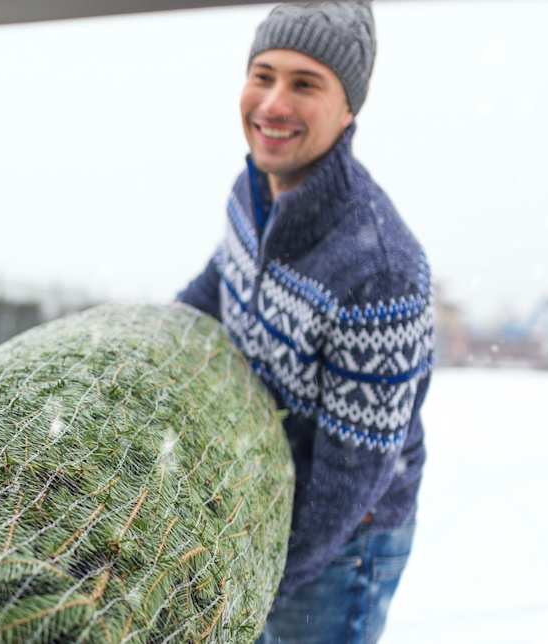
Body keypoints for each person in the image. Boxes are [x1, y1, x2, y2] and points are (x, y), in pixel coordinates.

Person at [175, 3, 431, 642]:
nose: (273, 103)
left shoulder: (380, 269)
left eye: (305, 84)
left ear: (349, 110)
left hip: (344, 542)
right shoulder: (253, 190)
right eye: (263, 75)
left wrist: (257, 573)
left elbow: (351, 478)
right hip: (267, 499)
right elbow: (218, 288)